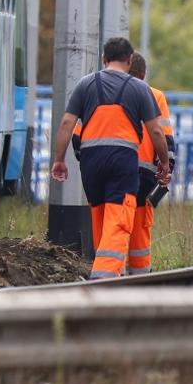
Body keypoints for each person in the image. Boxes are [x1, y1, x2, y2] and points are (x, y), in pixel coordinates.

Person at [49, 37, 169, 279]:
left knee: (101, 216)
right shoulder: (139, 88)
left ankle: (105, 268)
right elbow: (156, 131)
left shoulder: (85, 84)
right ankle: (103, 277)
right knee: (118, 218)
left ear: (104, 59)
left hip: (91, 162)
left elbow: (66, 123)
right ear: (130, 60)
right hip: (121, 161)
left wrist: (59, 159)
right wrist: (164, 163)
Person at [128, 52, 175, 276]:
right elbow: (166, 138)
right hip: (145, 177)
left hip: (112, 171)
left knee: (113, 222)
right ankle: (140, 277)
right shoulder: (155, 96)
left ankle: (110, 274)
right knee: (140, 228)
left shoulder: (108, 93)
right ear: (144, 74)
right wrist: (167, 169)